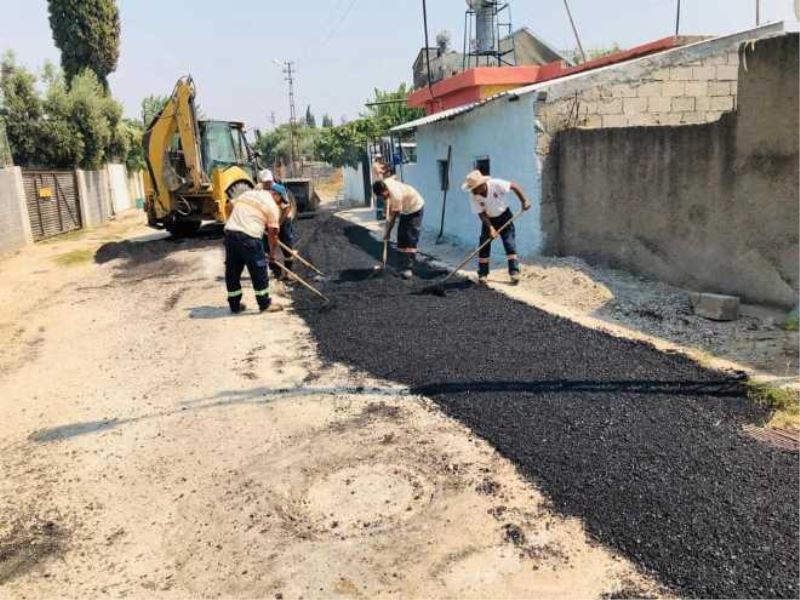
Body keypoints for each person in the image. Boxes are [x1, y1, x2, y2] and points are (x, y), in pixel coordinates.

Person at [461, 169, 532, 285]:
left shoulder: (496, 184)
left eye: (475, 188)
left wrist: (524, 201)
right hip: (488, 220)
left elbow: (514, 186)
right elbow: (481, 213)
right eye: (472, 189)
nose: (473, 191)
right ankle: (483, 274)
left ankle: (514, 272)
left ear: (482, 185)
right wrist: (490, 228)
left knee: (509, 243)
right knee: (484, 244)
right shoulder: (473, 196)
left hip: (504, 216)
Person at [223, 187, 284, 314]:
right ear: (276, 195)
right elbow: (273, 235)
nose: (279, 205)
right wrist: (272, 255)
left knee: (233, 271)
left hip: (230, 235)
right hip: (250, 238)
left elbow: (229, 205)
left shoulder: (248, 194)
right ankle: (264, 304)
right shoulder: (272, 207)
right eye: (280, 201)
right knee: (259, 271)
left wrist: (232, 221)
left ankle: (234, 305)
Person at [372, 176, 425, 279]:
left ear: (385, 190)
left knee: (410, 237)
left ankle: (408, 268)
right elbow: (393, 177)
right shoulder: (386, 182)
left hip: (415, 207)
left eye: (383, 195)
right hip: (406, 209)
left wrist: (387, 232)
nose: (383, 198)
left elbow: (393, 218)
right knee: (401, 235)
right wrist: (387, 205)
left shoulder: (396, 196)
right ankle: (401, 266)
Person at [257, 169, 296, 280]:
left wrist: (279, 224)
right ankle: (275, 272)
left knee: (286, 244)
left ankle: (289, 272)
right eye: (264, 183)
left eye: (268, 182)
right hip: (268, 221)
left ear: (272, 180)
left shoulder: (278, 190)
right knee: (267, 247)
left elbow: (287, 208)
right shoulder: (258, 190)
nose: (267, 184)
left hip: (282, 219)